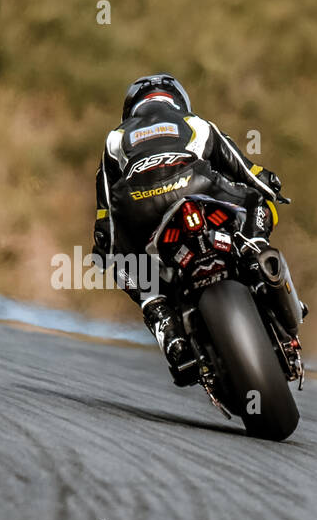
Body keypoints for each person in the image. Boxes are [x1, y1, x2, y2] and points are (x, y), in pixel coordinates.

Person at [91, 73, 296, 378]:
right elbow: (244, 169)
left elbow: (106, 207)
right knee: (256, 202)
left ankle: (162, 317)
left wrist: (106, 250)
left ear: (131, 108)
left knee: (124, 262)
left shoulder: (115, 137)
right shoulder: (194, 122)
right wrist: (270, 187)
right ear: (178, 99)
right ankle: (256, 255)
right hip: (196, 185)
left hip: (140, 204)